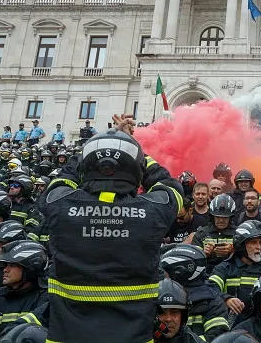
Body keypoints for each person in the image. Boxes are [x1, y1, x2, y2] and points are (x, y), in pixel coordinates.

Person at [40, 117, 182, 343]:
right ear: (137, 169)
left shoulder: (60, 205)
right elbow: (171, 187)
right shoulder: (152, 211)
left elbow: (63, 178)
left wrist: (100, 147)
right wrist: (132, 149)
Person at [0, 240, 48, 340]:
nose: (5, 270)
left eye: (12, 265)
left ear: (31, 268)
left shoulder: (45, 299)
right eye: (6, 265)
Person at [208, 220, 261, 326]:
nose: (259, 247)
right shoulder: (224, 268)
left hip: (260, 326)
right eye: (253, 242)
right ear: (241, 245)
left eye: (260, 243)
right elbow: (210, 288)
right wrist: (226, 298)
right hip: (230, 325)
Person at [160, 245, 230, 341]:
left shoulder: (213, 301)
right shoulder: (214, 298)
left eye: (166, 271)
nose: (163, 277)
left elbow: (217, 338)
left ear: (179, 271)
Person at [192, 194, 237, 273]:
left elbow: (247, 259)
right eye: (218, 217)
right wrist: (203, 253)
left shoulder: (238, 234)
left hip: (232, 272)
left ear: (231, 217)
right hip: (206, 274)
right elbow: (192, 259)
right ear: (212, 216)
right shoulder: (202, 233)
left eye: (225, 217)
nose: (221, 220)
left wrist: (233, 250)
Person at [155, 278, 205, 343]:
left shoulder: (192, 340)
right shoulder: (141, 337)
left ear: (183, 317)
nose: (168, 319)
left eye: (174, 312)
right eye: (161, 312)